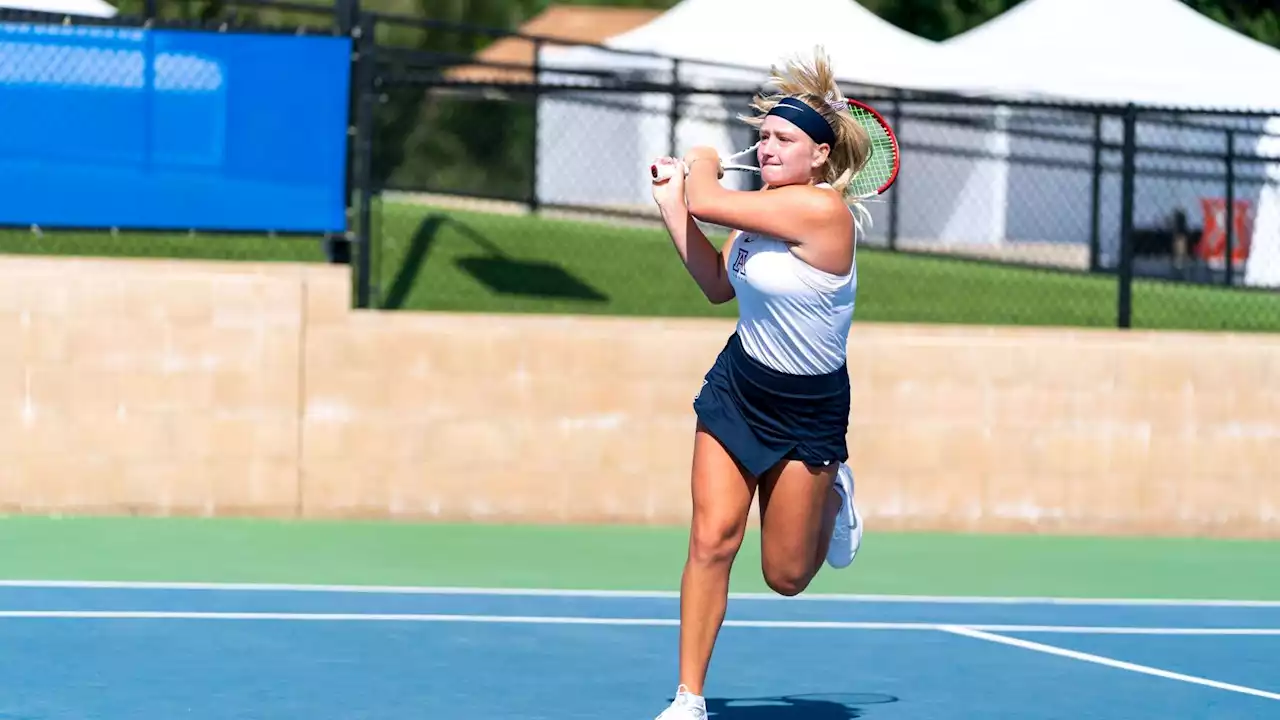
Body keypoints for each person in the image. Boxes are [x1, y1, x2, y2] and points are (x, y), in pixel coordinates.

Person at [647, 47, 873, 720]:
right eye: (764, 136)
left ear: (820, 157)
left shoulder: (822, 214)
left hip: (808, 411)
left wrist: (702, 157)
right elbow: (719, 286)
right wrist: (671, 208)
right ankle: (689, 698)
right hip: (738, 389)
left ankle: (833, 493)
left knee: (786, 578)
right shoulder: (761, 213)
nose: (767, 147)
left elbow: (711, 193)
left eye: (783, 138)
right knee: (712, 537)